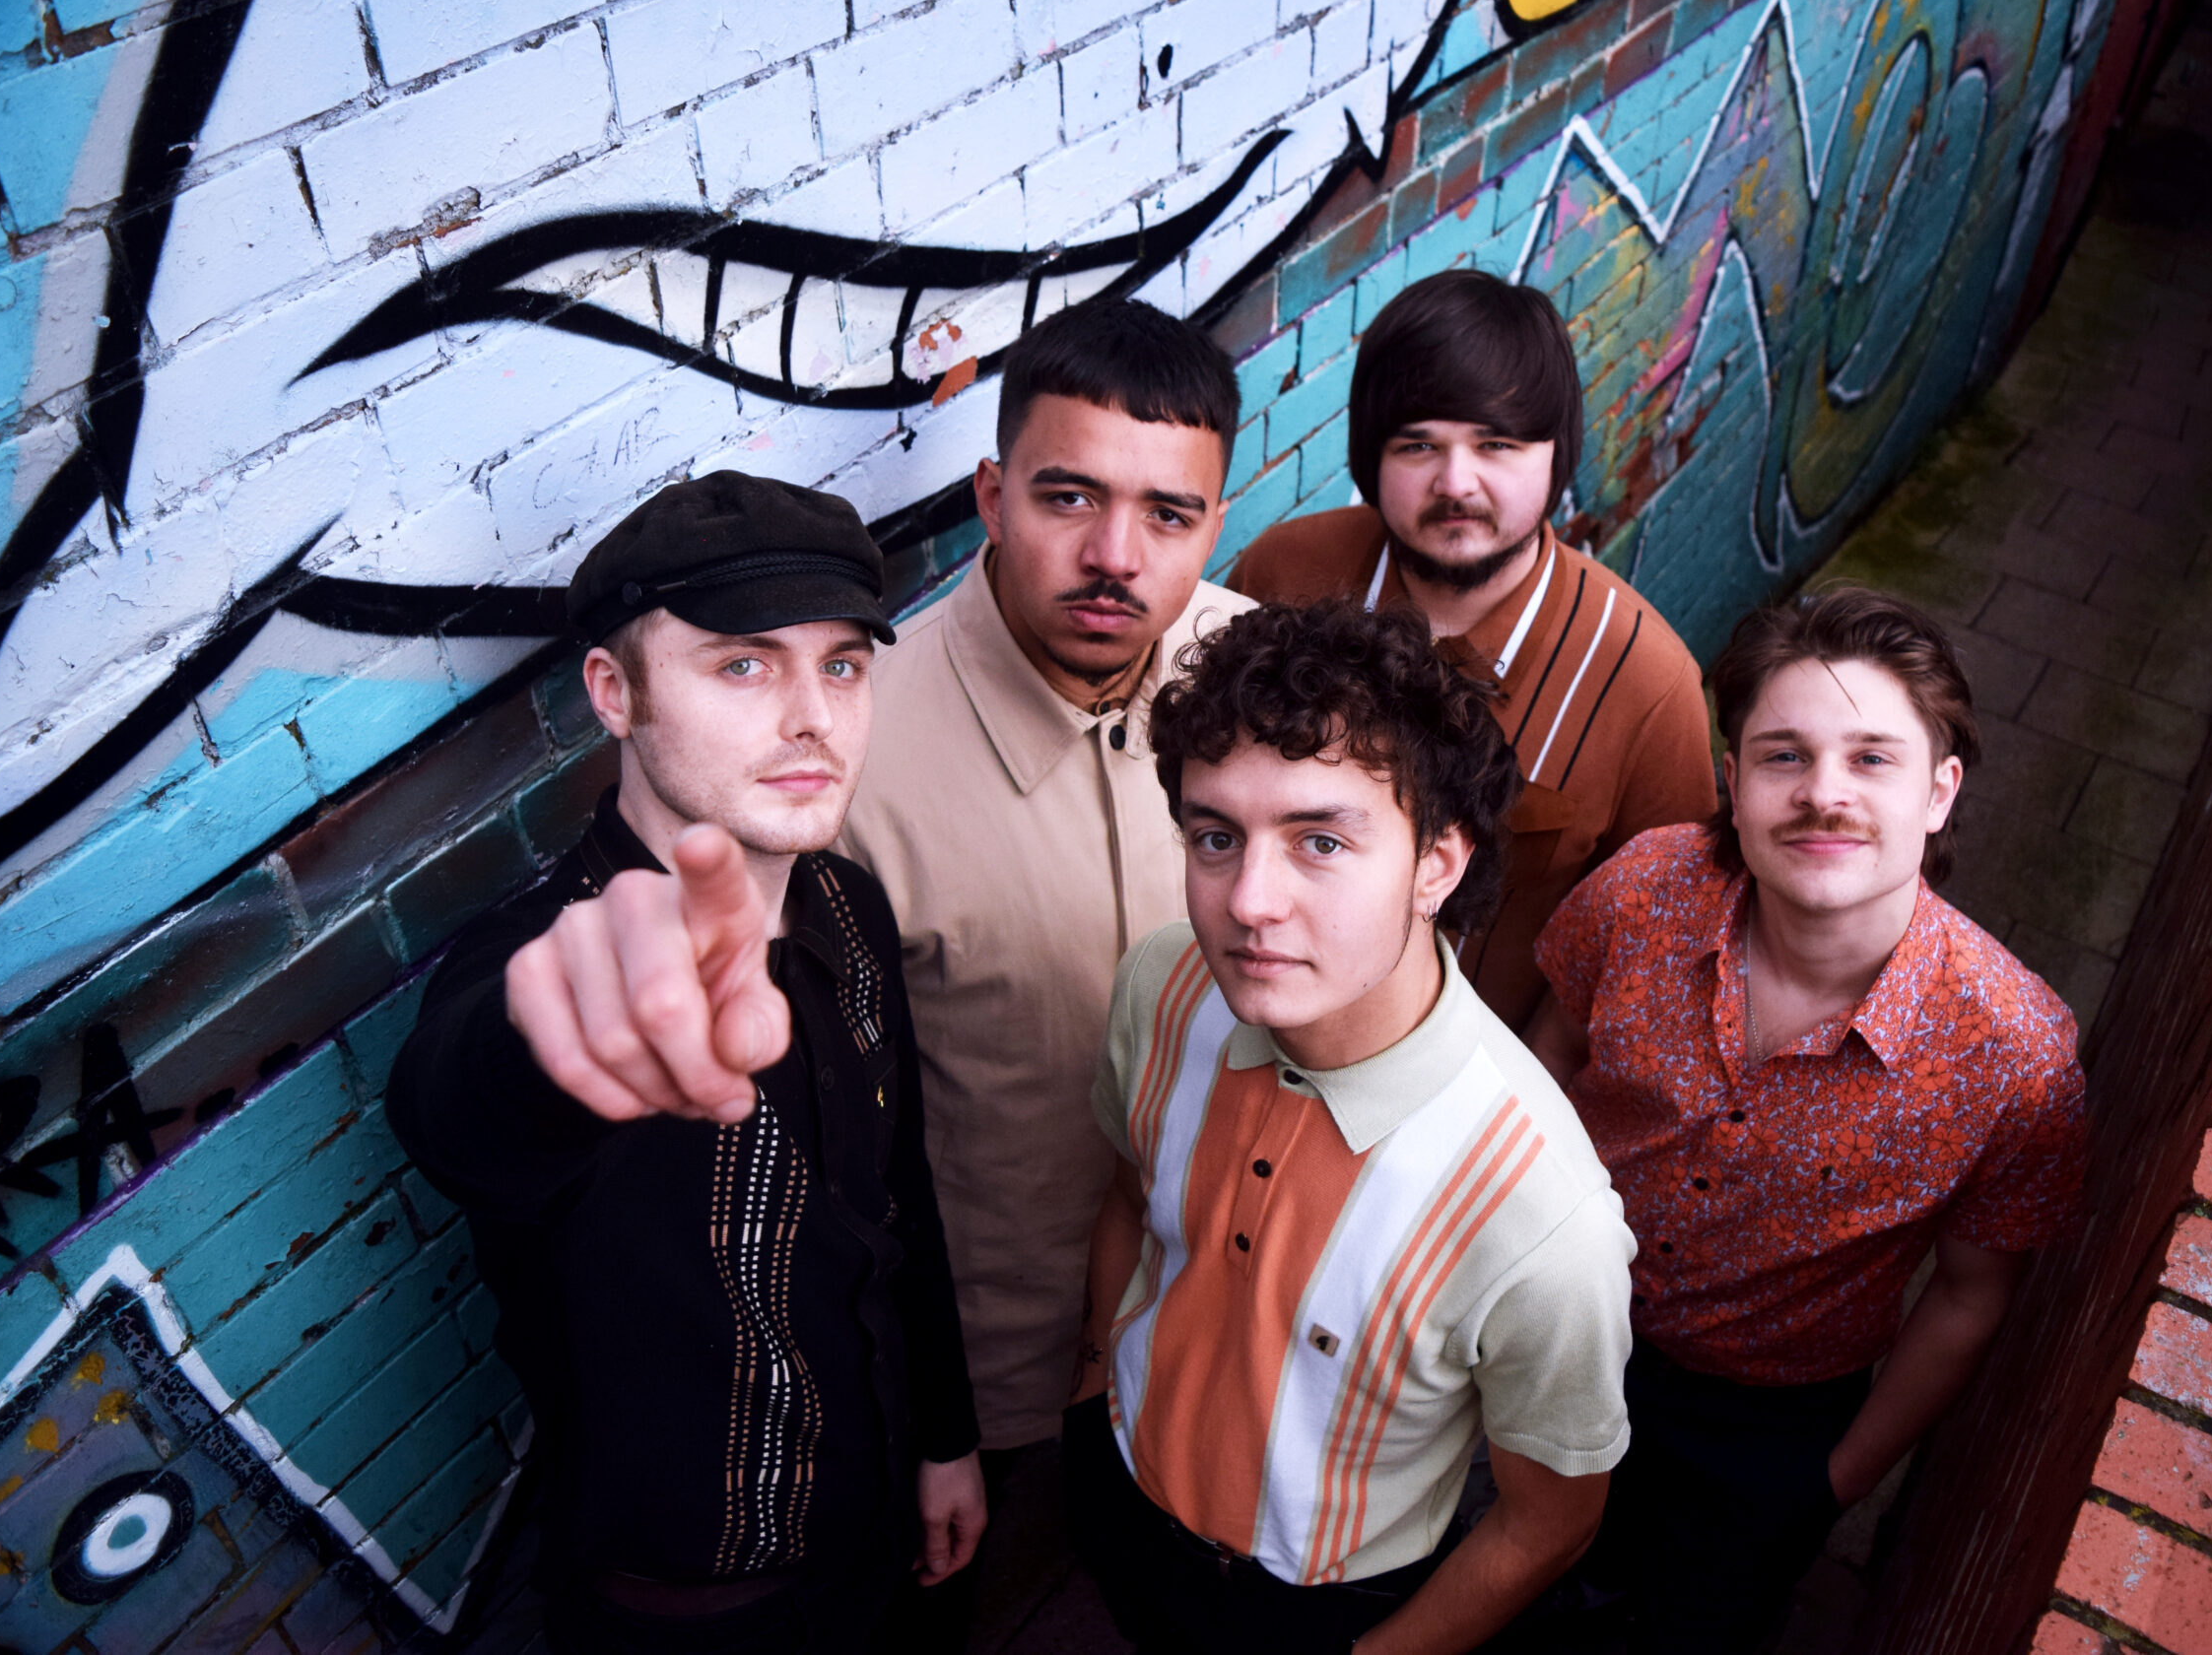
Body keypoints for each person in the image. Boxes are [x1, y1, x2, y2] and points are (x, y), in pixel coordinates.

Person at [385, 473, 982, 1654]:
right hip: (690, 1618)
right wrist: (550, 1048)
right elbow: (463, 1108)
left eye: (844, 665)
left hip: (882, 1542)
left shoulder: (851, 908)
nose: (813, 715)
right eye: (744, 664)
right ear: (615, 691)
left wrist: (945, 1436)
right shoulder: (544, 968)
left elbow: (900, 1200)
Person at [1525, 585, 2090, 1653]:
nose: (1822, 793)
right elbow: (1551, 1051)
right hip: (1551, 1326)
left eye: (1871, 757)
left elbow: (1969, 1297)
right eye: (1783, 756)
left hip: (1765, 1425)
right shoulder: (1644, 889)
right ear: (1732, 785)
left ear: (1939, 791)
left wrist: (1826, 1487)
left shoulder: (2018, 1061)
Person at [1068, 599, 1638, 1655]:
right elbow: (1125, 1199)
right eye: (1214, 836)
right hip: (1121, 1492)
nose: (1249, 903)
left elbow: (1551, 1521)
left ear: (1438, 863)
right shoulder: (1165, 986)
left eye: (1319, 840)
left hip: (1318, 1610)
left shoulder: (1543, 1217)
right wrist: (1100, 1376)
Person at [832, 299, 1249, 1631]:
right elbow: (836, 1158)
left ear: (1216, 524)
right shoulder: (850, 762)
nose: (1115, 558)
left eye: (1168, 516)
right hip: (985, 1375)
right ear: (992, 496)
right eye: (1069, 496)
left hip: (1215, 1311)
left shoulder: (1260, 674)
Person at [1225, 268, 1715, 1027]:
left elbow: (1657, 940)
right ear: (1370, 455)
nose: (1457, 482)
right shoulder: (1281, 574)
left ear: (1557, 455)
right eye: (1418, 445)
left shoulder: (1647, 685)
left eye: (1498, 444)